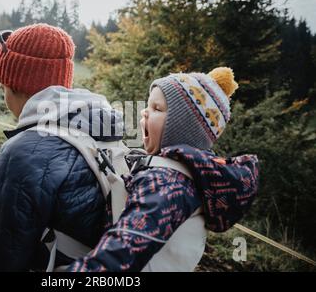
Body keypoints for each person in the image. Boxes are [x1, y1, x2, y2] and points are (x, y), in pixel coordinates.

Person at [68, 68, 260, 272]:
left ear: (182, 129)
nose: (144, 111)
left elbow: (120, 254)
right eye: (147, 105)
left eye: (157, 108)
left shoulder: (167, 183)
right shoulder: (189, 174)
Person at [0, 24, 123, 271]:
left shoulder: (21, 152)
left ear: (15, 85)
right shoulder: (102, 130)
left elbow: (0, 256)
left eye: (2, 87)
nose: (3, 95)